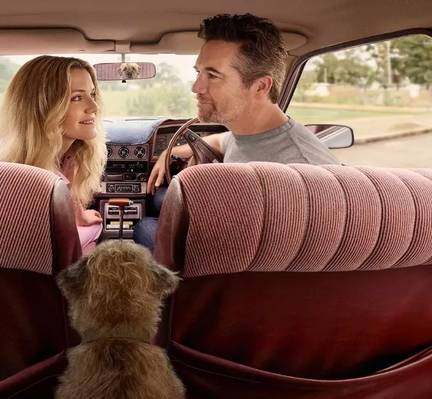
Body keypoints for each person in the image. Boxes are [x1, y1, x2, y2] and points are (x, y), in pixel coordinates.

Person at [135, 14, 339, 251]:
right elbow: (225, 140)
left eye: (213, 75)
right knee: (160, 198)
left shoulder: (302, 175)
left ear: (261, 86)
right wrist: (170, 153)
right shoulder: (249, 131)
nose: (196, 87)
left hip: (234, 269)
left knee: (144, 226)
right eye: (198, 72)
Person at [0, 56, 107, 254]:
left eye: (92, 94)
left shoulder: (69, 151)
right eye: (76, 98)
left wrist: (79, 216)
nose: (94, 107)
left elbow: (66, 192)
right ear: (42, 107)